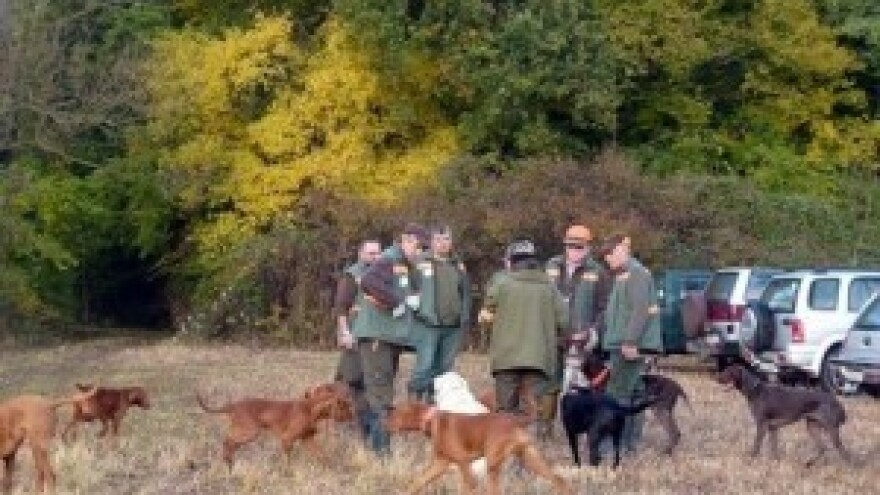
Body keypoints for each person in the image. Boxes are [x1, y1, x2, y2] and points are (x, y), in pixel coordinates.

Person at [353, 223, 427, 456]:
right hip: (377, 336)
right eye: (418, 246)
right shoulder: (389, 259)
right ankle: (381, 452)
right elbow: (369, 282)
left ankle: (368, 443)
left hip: (389, 337)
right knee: (381, 395)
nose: (420, 252)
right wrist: (397, 302)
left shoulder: (406, 264)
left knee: (379, 390)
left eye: (423, 248)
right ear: (406, 240)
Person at [479, 239, 568, 418]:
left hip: (506, 357)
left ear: (511, 261)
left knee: (505, 411)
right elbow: (564, 321)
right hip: (539, 358)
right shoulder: (549, 286)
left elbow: (485, 317)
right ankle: (533, 434)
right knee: (532, 410)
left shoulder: (502, 284)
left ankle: (507, 434)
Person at [597, 234, 663, 453]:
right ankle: (629, 444)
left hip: (628, 345)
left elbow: (639, 310)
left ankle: (613, 445)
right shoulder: (625, 274)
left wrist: (630, 342)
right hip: (625, 342)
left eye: (609, 255)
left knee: (617, 392)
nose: (608, 261)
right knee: (634, 392)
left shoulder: (637, 274)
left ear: (620, 250)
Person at [540, 224, 606, 437]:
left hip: (582, 339)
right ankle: (545, 427)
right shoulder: (551, 266)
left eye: (579, 247)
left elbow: (604, 308)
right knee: (549, 382)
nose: (574, 251)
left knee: (579, 385)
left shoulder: (597, 271)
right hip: (553, 335)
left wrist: (591, 331)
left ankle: (580, 426)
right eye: (570, 246)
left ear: (588, 247)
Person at [408, 226, 472, 402]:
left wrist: (464, 317)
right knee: (425, 366)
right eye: (438, 239)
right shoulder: (419, 263)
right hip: (427, 324)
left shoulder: (458, 265)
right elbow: (407, 288)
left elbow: (465, 293)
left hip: (452, 326)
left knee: (445, 368)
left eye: (446, 239)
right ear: (431, 242)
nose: (442, 243)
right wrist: (416, 310)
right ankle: (415, 403)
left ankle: (436, 403)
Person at [332, 239, 382, 439]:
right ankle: (340, 421)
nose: (375, 257)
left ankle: (366, 426)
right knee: (350, 379)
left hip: (375, 337)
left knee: (369, 382)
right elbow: (341, 307)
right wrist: (345, 333)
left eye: (378, 253)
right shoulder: (352, 275)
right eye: (371, 253)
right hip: (355, 335)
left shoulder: (383, 273)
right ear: (361, 253)